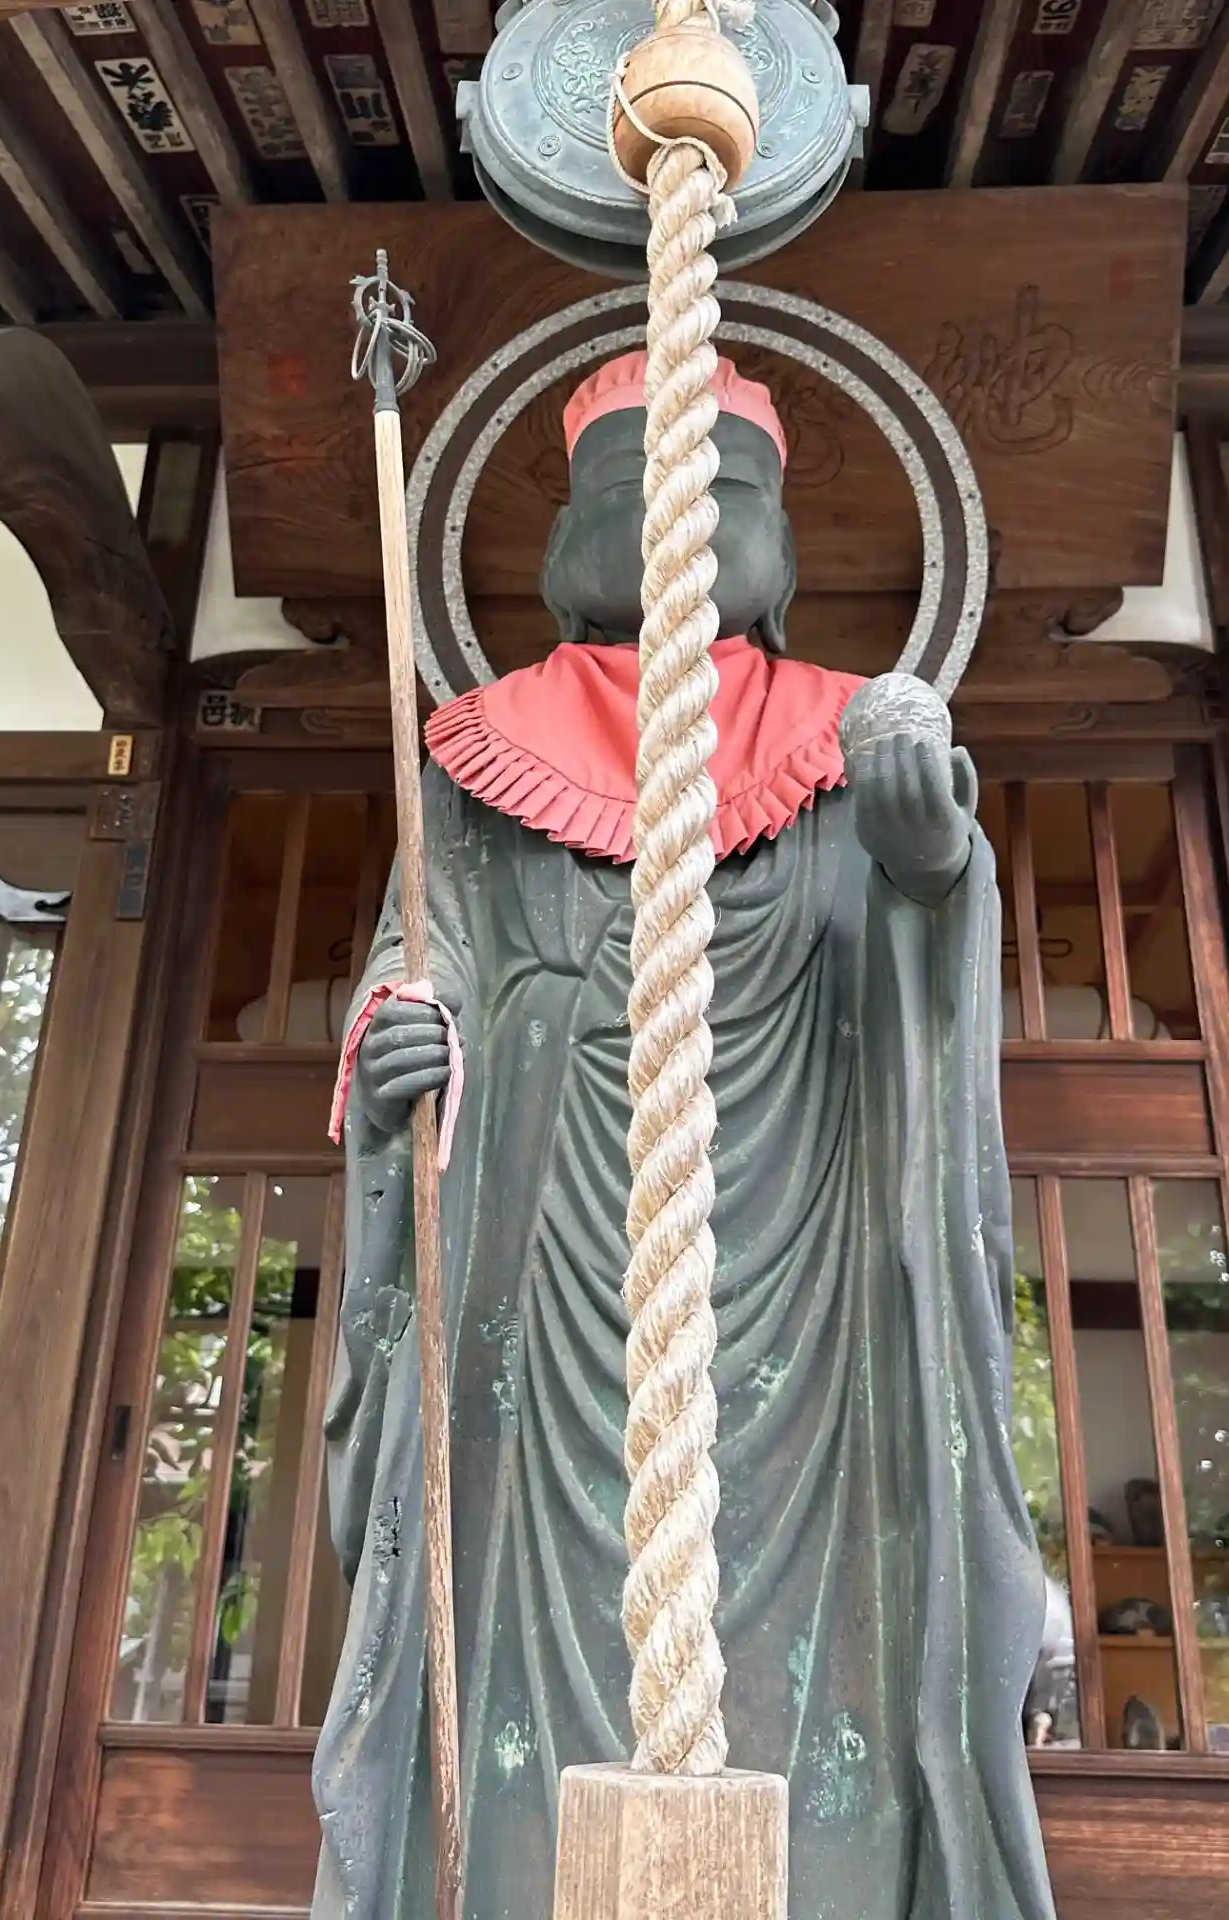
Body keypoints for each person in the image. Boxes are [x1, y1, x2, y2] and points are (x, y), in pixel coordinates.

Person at [312, 353, 1057, 1919]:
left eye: (722, 492)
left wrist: (930, 860)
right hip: (547, 1271)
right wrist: (398, 1055)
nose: (679, 522)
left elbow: (919, 962)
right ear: (568, 538)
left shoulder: (847, 737)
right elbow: (423, 958)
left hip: (808, 1285)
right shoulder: (476, 753)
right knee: (529, 1630)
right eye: (635, 490)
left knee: (822, 1628)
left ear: (777, 540)